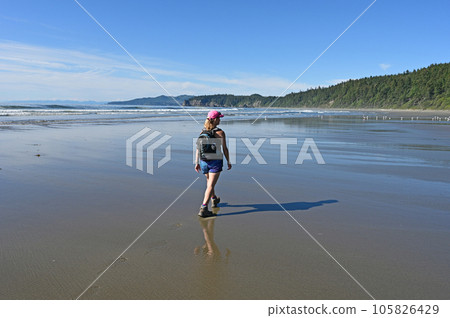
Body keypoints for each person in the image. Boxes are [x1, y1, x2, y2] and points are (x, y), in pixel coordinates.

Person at [195, 110, 232, 217]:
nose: (220, 120)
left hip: (203, 161)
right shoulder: (220, 133)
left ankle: (214, 199)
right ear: (215, 119)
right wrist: (228, 161)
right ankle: (204, 208)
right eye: (219, 118)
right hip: (215, 161)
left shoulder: (203, 132)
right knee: (211, 184)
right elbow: (225, 149)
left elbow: (198, 148)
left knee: (209, 183)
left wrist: (196, 162)